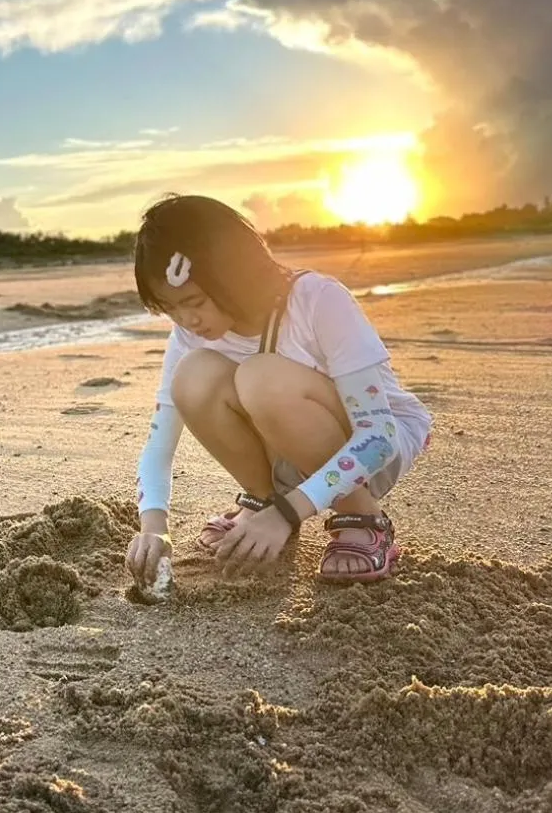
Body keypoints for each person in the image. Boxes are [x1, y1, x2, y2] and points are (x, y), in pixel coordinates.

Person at [125, 194, 432, 589]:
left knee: (261, 378)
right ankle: (262, 500)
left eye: (194, 301)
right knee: (193, 376)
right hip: (286, 452)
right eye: (170, 308)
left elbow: (378, 439)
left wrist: (288, 514)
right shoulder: (189, 332)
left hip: (372, 445)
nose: (187, 319)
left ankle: (362, 517)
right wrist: (154, 527)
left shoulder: (317, 300)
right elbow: (159, 441)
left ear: (233, 274)